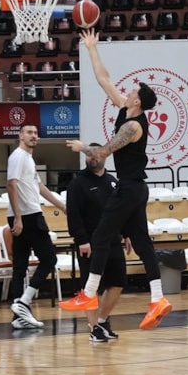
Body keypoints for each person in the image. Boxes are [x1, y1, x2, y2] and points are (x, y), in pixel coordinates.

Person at [59, 27, 172, 330]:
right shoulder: (126, 109)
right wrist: (92, 48)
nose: (130, 91)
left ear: (138, 102)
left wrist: (83, 147)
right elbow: (104, 79)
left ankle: (88, 294)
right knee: (142, 242)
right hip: (135, 188)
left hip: (129, 188)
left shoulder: (134, 127)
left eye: (134, 91)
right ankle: (158, 298)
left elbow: (105, 151)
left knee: (101, 236)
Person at [66, 143, 129, 343]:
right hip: (90, 243)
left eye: (95, 154)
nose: (92, 158)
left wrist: (127, 234)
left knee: (118, 282)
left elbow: (121, 212)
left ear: (104, 156)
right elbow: (73, 215)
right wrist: (82, 240)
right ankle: (94, 328)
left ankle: (102, 321)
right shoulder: (77, 184)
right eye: (88, 155)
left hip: (113, 240)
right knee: (90, 287)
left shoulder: (113, 182)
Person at [6, 124, 67, 330]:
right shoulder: (18, 156)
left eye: (35, 133)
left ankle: (18, 316)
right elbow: (11, 184)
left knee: (20, 265)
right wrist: (18, 217)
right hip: (28, 215)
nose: (34, 136)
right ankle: (24, 302)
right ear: (20, 136)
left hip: (25, 215)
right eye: (29, 133)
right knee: (49, 259)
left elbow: (39, 187)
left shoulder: (28, 159)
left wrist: (62, 206)